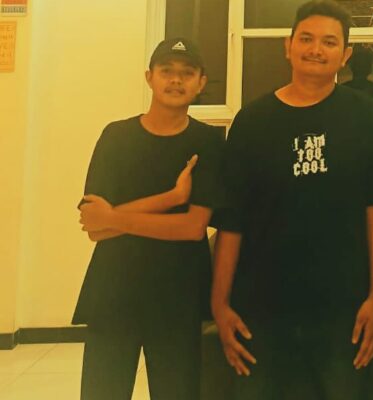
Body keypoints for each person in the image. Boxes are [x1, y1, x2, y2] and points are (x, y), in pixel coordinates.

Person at [209, 1, 373, 399]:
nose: (316, 49)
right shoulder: (252, 120)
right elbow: (232, 219)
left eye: (329, 42)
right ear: (289, 45)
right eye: (307, 39)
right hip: (260, 306)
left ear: (346, 54)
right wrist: (220, 302)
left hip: (343, 307)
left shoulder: (368, 117)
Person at [76, 37, 224, 400]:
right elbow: (93, 225)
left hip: (178, 295)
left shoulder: (208, 142)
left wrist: (114, 218)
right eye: (166, 71)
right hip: (114, 290)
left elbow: (191, 228)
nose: (176, 80)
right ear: (149, 77)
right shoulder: (116, 136)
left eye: (186, 73)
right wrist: (171, 199)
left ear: (201, 82)